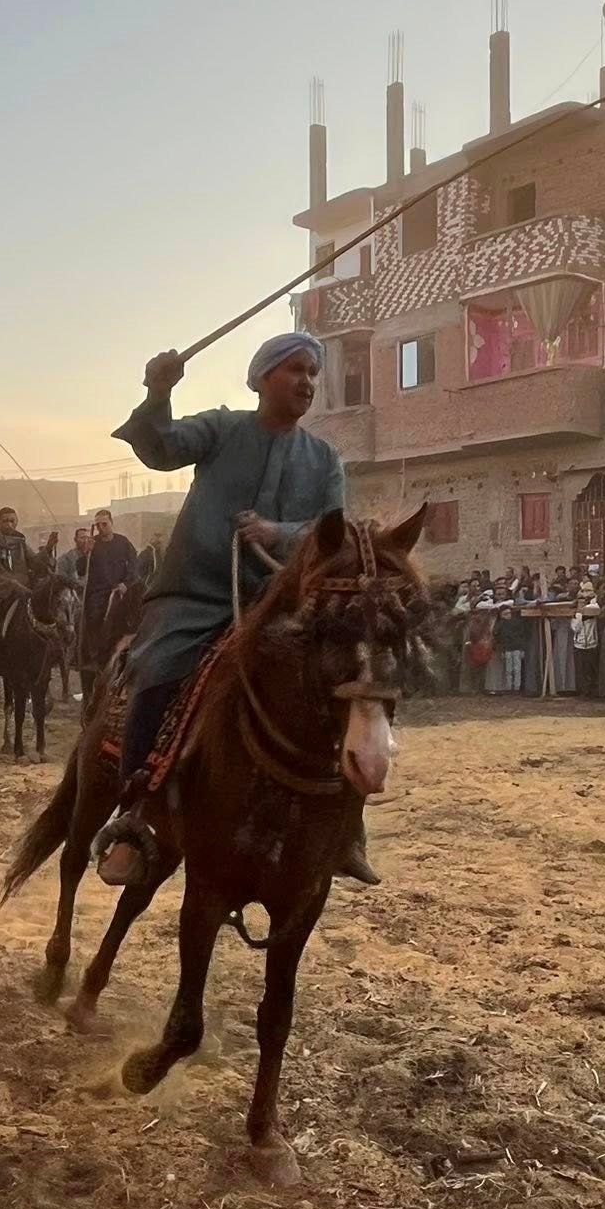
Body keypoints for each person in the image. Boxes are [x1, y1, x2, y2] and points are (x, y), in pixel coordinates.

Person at [94, 332, 363, 888]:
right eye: (295, 370)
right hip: (195, 597)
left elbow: (332, 534)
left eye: (313, 373)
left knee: (344, 686)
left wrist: (275, 532)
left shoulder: (325, 459)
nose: (307, 383)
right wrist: (158, 391)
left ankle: (345, 829)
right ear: (262, 377)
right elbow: (162, 446)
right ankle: (135, 814)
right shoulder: (221, 428)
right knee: (155, 670)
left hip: (281, 607)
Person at [0, 506, 55, 671]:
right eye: (5, 521)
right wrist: (11, 584)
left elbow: (35, 562)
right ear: (0, 522)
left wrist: (48, 548)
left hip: (23, 590)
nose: (9, 524)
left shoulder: (21, 542)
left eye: (12, 521)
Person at [78, 507, 138, 697]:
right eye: (98, 525)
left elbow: (134, 566)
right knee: (95, 616)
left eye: (105, 524)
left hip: (121, 589)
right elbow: (81, 570)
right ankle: (97, 656)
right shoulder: (92, 544)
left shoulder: (123, 542)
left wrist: (126, 584)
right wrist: (85, 553)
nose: (102, 528)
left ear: (111, 523)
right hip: (99, 591)